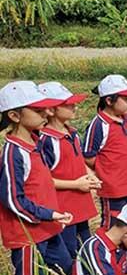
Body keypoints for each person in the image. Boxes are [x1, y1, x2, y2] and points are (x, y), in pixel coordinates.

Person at [0, 81, 73, 275]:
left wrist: (51, 216)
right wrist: (48, 213)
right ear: (14, 115)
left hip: (48, 227)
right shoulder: (13, 152)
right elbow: (12, 199)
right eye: (38, 111)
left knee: (64, 266)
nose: (46, 114)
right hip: (28, 234)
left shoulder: (35, 143)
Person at [39, 82, 101, 259]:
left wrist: (91, 176)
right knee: (69, 252)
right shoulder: (46, 141)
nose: (75, 106)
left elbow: (79, 160)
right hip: (63, 209)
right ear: (50, 110)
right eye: (68, 104)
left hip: (80, 204)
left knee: (85, 247)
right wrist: (75, 184)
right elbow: (43, 179)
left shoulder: (71, 133)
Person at [82, 75, 127, 228]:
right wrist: (107, 171)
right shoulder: (99, 125)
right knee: (114, 226)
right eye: (125, 98)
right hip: (115, 190)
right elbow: (89, 155)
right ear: (109, 101)